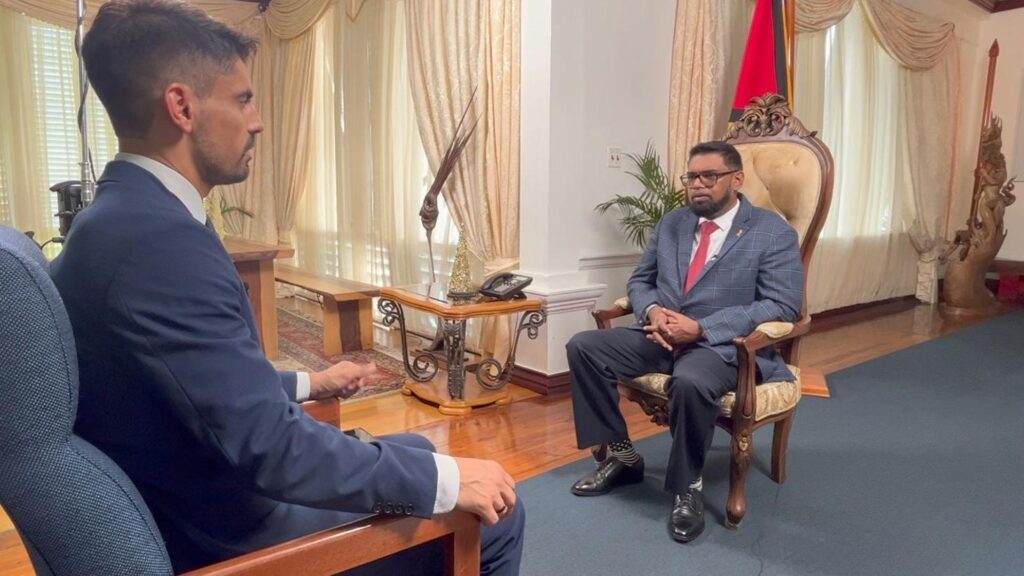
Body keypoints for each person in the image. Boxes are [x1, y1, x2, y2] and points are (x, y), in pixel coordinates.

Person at [49, 1, 523, 573]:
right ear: (182, 106)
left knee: (421, 452)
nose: (258, 120)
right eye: (243, 99)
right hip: (239, 535)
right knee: (492, 511)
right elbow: (272, 451)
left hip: (204, 496)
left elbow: (195, 380)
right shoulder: (157, 242)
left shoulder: (118, 219)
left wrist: (310, 380)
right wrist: (445, 483)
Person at [566, 140, 803, 543]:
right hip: (661, 335)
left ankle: (687, 485)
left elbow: (783, 303)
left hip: (723, 346)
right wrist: (653, 312)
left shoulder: (771, 232)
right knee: (584, 347)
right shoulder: (672, 223)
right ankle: (624, 457)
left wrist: (702, 328)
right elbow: (641, 280)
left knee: (691, 382)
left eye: (710, 176)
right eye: (691, 176)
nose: (698, 185)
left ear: (736, 179)